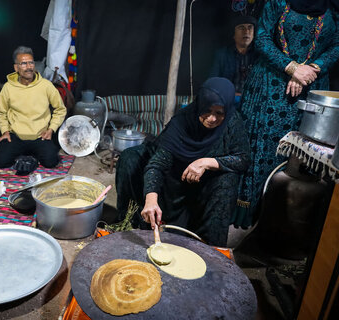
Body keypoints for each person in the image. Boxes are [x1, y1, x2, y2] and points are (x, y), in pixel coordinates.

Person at [234, 0, 339, 229]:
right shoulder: (277, 2)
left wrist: (312, 69)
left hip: (311, 90)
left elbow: (337, 45)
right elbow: (261, 38)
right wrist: (293, 68)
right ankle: (247, 217)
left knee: (299, 154)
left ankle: (280, 224)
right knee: (259, 148)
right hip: (270, 85)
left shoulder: (332, 6)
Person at [115, 78, 250, 247]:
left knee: (228, 180)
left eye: (219, 113)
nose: (212, 119)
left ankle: (210, 248)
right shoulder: (182, 120)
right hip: (171, 184)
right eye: (207, 111)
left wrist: (206, 162)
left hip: (203, 191)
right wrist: (151, 199)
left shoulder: (232, 122)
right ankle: (135, 225)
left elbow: (243, 159)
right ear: (200, 105)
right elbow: (157, 165)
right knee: (130, 157)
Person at [0, 46, 67, 169]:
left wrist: (51, 129)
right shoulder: (8, 88)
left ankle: (30, 155)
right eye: (24, 63)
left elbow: (60, 109)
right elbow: (1, 113)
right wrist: (5, 131)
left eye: (31, 62)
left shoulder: (46, 86)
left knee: (51, 161)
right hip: (16, 136)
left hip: (40, 136)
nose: (29, 67)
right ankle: (24, 153)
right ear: (16, 67)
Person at [210, 15, 257, 96]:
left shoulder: (259, 56)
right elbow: (212, 83)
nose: (246, 32)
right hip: (227, 100)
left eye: (250, 27)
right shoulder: (222, 55)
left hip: (252, 102)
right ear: (234, 34)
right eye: (241, 28)